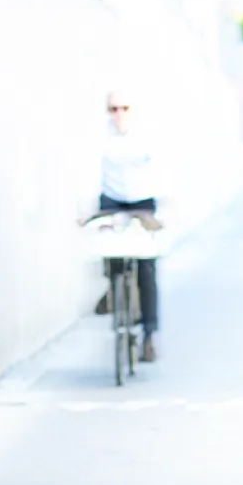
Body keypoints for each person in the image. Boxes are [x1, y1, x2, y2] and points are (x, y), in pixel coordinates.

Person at [93, 90, 161, 361]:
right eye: (113, 109)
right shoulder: (100, 137)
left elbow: (162, 171)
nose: (118, 114)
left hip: (142, 200)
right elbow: (87, 170)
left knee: (146, 269)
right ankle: (113, 287)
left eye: (124, 108)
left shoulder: (147, 136)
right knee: (106, 250)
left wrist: (160, 213)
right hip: (112, 199)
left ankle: (149, 335)